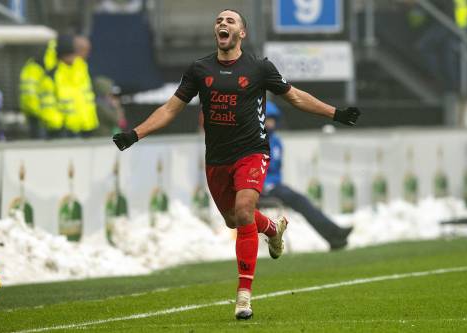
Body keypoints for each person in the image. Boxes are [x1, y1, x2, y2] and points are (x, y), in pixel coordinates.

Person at [113, 9, 361, 320]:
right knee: (234, 219)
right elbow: (170, 109)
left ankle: (243, 297)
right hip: (217, 158)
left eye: (230, 20)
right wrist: (135, 133)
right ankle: (271, 228)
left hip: (252, 151)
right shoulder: (199, 69)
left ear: (241, 33)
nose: (223, 23)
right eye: (219, 20)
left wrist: (335, 114)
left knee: (244, 210)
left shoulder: (259, 68)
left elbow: (295, 97)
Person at [260, 101, 353, 250]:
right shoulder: (255, 142)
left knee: (300, 200)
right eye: (267, 119)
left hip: (274, 186)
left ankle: (335, 236)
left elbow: (276, 169)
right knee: (298, 199)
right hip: (258, 188)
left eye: (272, 120)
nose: (270, 123)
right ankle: (335, 234)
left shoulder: (276, 142)